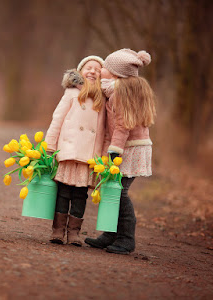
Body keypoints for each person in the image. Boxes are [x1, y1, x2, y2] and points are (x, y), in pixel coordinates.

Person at [84, 49, 157, 255]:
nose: (102, 69)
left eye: (105, 67)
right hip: (128, 146)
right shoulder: (117, 89)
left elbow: (123, 124)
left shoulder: (119, 93)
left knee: (120, 193)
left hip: (128, 148)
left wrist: (114, 151)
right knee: (112, 191)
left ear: (115, 74)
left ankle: (126, 239)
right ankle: (110, 234)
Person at [45, 56, 106, 246]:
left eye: (97, 69)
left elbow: (104, 130)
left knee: (80, 195)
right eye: (89, 68)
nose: (92, 71)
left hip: (87, 156)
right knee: (63, 192)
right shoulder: (71, 93)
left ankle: (74, 233)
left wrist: (102, 157)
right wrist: (50, 145)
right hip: (68, 151)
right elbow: (58, 119)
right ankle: (58, 231)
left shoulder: (103, 98)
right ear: (80, 72)